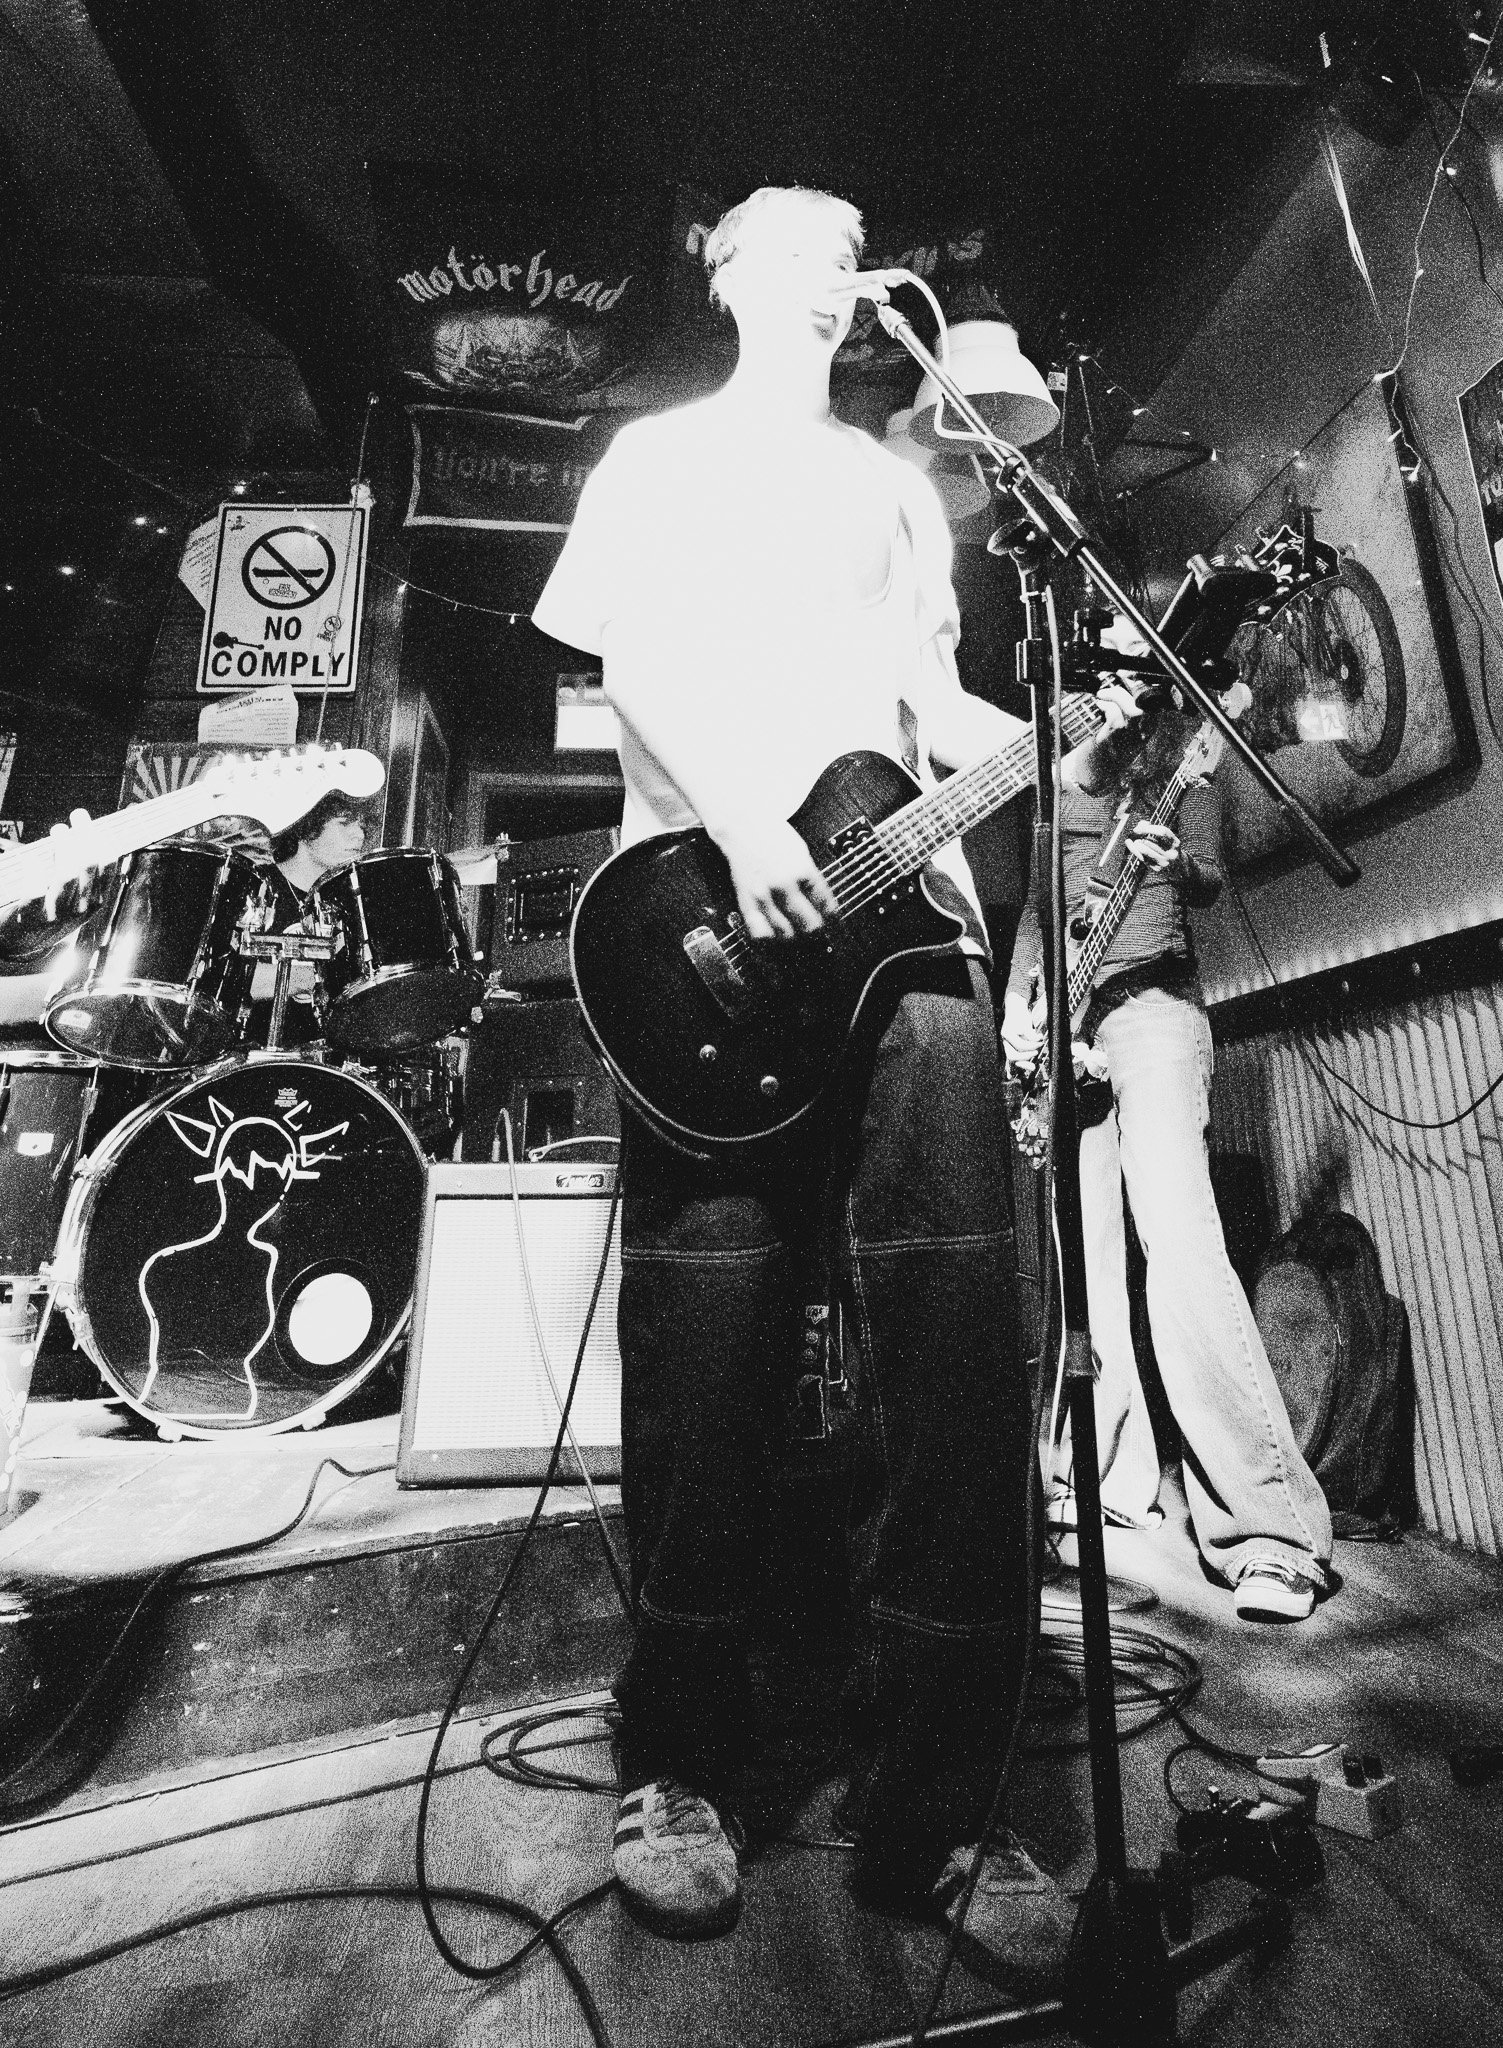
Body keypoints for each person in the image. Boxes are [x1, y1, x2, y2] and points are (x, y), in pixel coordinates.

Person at [531, 185, 1137, 1987]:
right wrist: (733, 813)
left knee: (959, 1349)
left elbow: (929, 699)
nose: (825, 272)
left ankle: (937, 1797)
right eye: (787, 245)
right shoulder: (654, 454)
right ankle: (681, 1766)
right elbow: (628, 651)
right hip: (702, 925)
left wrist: (1060, 727)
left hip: (914, 935)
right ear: (721, 277)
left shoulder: (898, 480)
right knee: (706, 1349)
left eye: (845, 248)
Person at [1002, 683, 1333, 1621]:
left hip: (1154, 1006)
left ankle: (1271, 1533)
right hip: (1068, 1022)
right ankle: (1108, 1484)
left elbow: (1213, 877)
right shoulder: (1049, 761)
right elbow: (1039, 902)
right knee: (1088, 1263)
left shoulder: (1184, 745)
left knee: (1182, 1250)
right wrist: (1021, 1008)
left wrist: (1175, 857)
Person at [248, 792, 368, 1047]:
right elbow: (225, 980)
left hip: (324, 1064)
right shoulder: (255, 885)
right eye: (345, 823)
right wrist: (308, 978)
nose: (359, 835)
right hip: (250, 1055)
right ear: (305, 825)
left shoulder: (350, 903)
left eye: (361, 825)